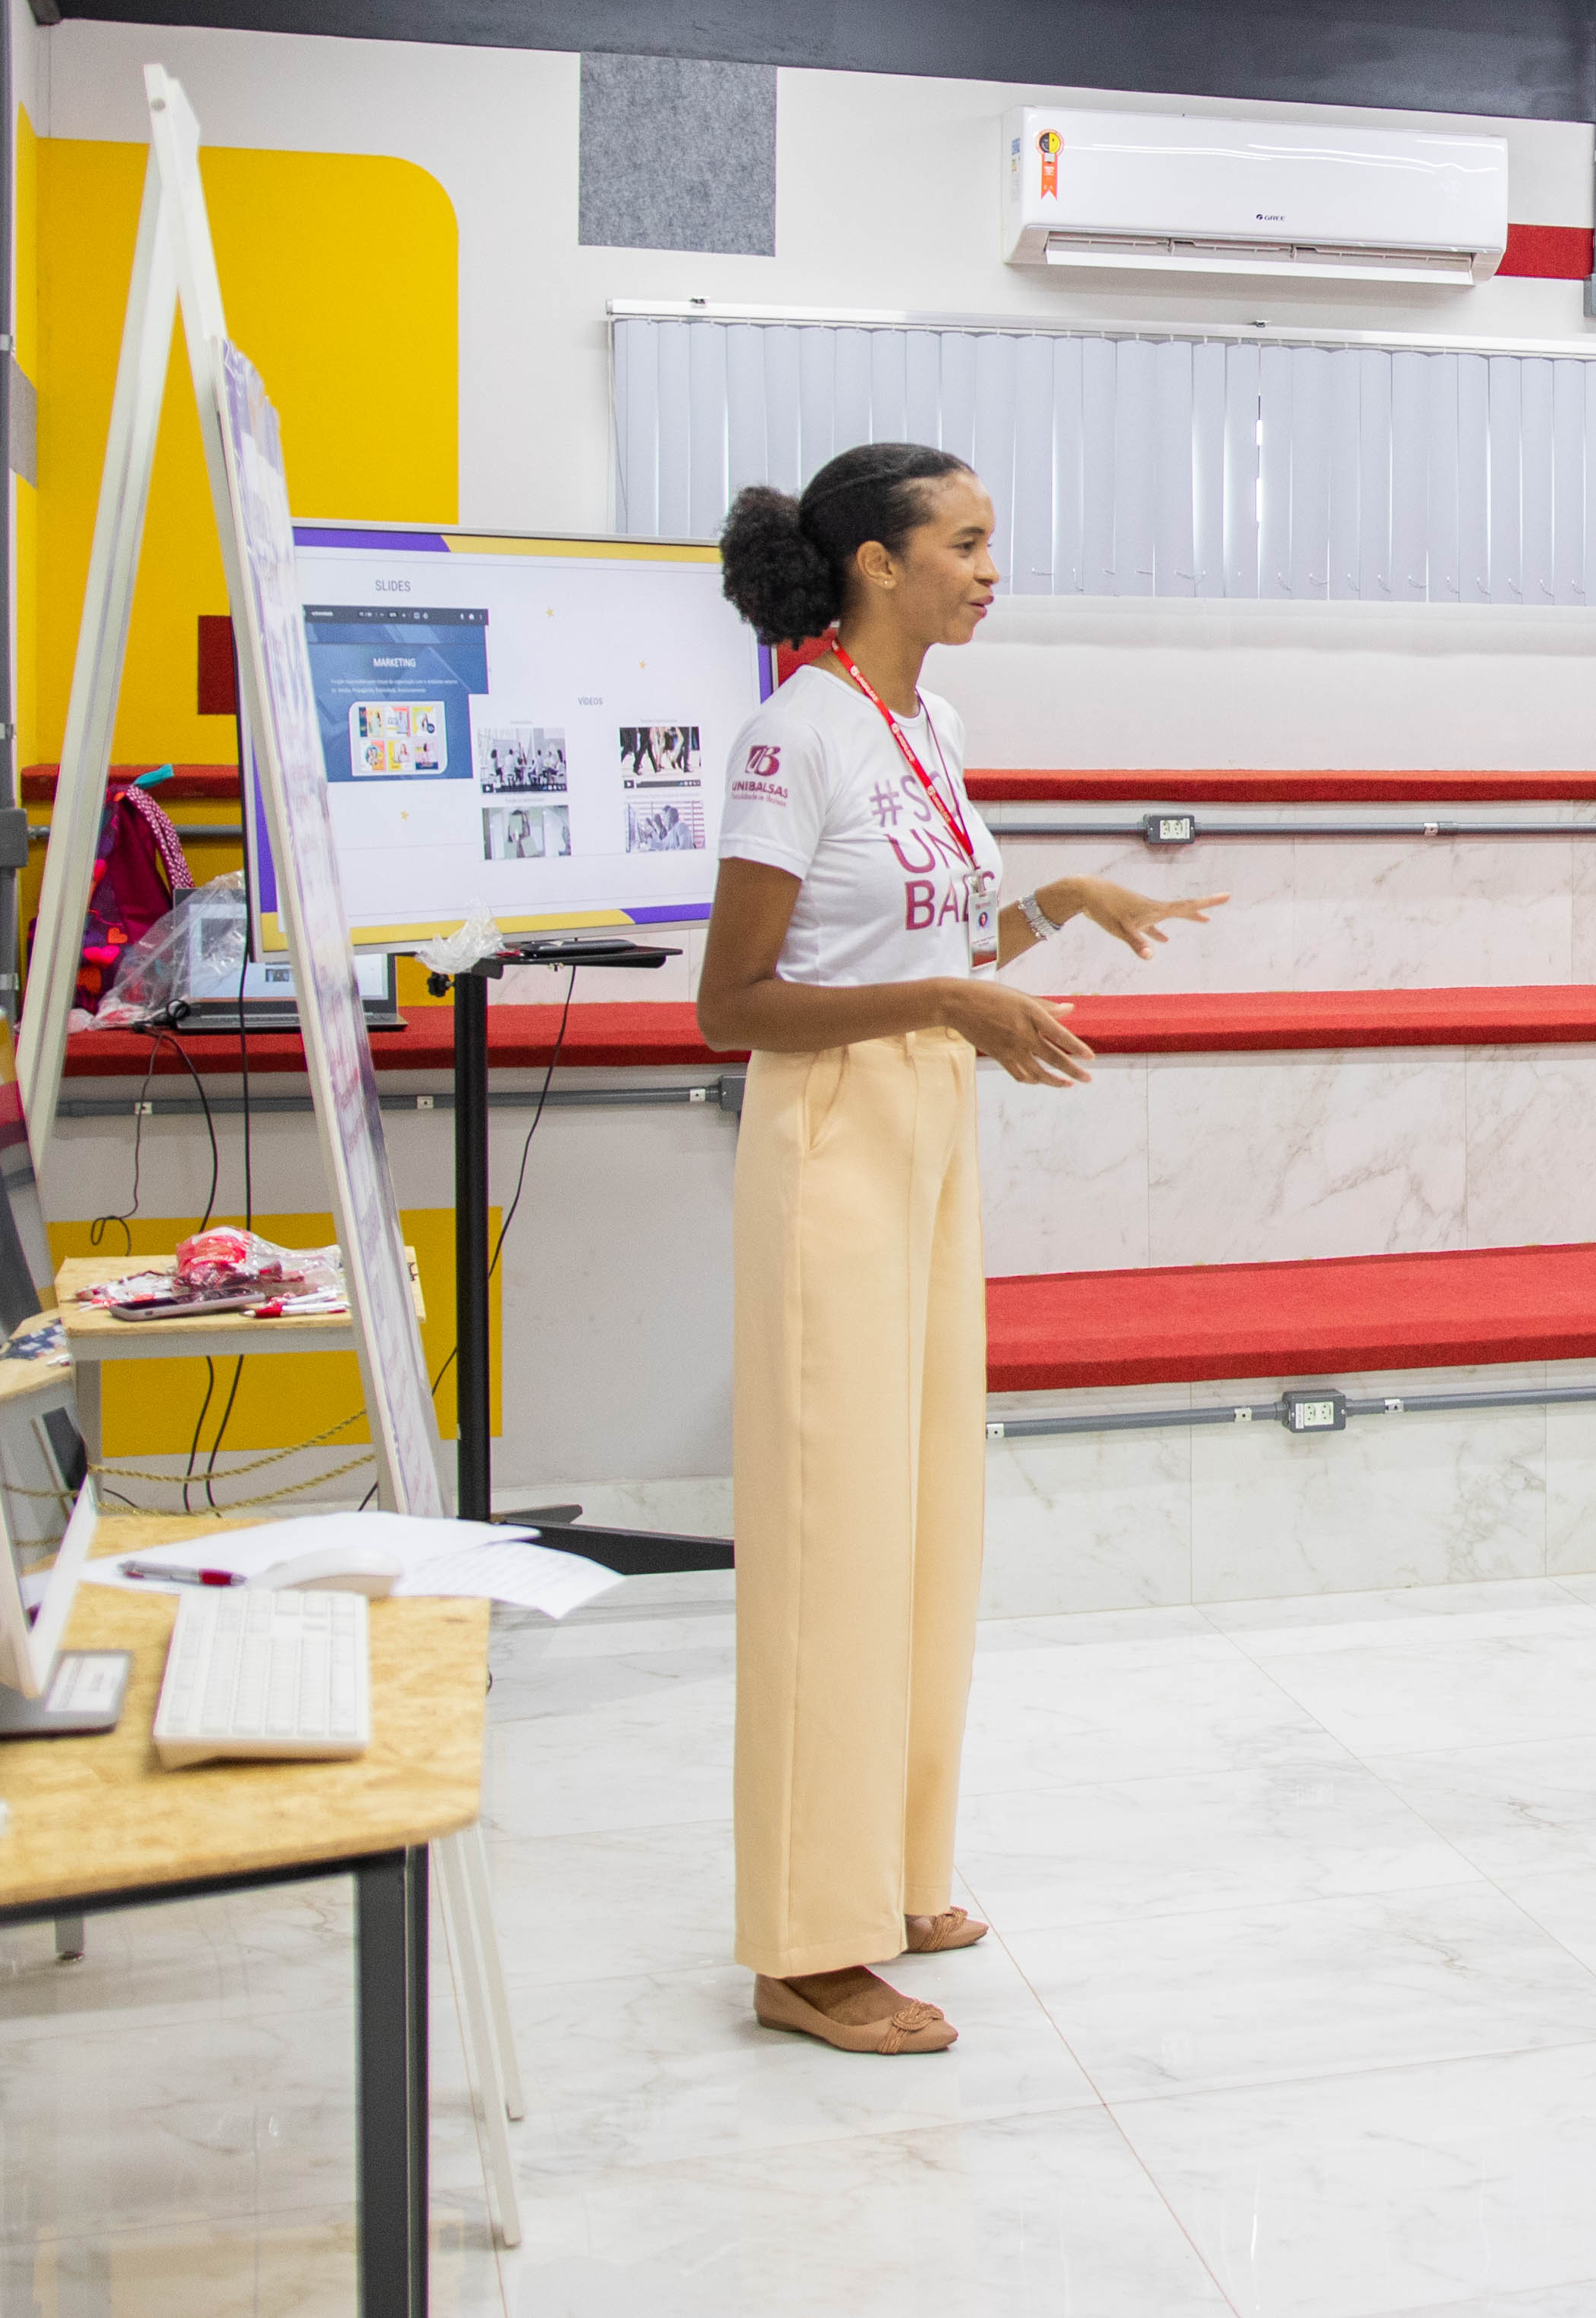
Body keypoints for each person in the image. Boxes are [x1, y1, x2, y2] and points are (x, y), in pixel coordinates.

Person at [700, 441, 1226, 2055]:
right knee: (829, 1531)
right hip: (831, 1134)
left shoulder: (926, 723)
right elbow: (734, 1002)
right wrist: (946, 1000)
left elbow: (928, 935)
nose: (993, 569)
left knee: (923, 1514)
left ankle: (896, 1870)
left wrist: (1051, 904)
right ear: (876, 561)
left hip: (928, 1122)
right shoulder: (795, 735)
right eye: (967, 541)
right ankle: (804, 1947)